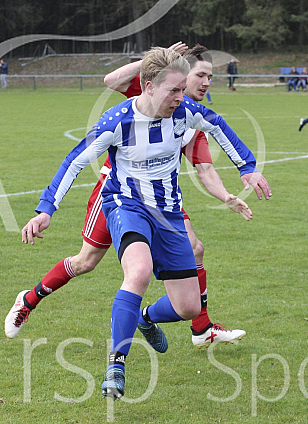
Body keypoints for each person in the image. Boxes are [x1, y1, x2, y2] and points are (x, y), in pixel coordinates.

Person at [17, 47, 270, 400]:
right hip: (127, 205)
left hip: (168, 212)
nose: (180, 97)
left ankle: (144, 317)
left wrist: (247, 166)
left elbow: (218, 125)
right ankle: (116, 365)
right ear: (148, 86)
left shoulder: (184, 113)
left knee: (189, 307)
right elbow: (74, 161)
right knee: (138, 272)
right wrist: (46, 210)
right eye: (174, 91)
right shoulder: (118, 120)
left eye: (183, 89)